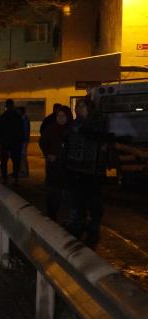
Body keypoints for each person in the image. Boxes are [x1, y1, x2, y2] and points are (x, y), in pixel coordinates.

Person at [64, 100, 109, 249]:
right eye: (77, 106)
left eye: (82, 106)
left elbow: (97, 137)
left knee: (94, 201)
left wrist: (82, 130)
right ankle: (78, 225)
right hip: (75, 170)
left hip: (92, 172)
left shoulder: (97, 123)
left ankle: (93, 229)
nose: (78, 109)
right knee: (78, 200)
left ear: (89, 109)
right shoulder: (74, 124)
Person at [39, 105, 72, 221]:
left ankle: (68, 219)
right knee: (53, 193)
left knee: (68, 194)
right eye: (58, 116)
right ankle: (52, 217)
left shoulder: (72, 130)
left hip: (68, 168)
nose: (61, 118)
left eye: (63, 116)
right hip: (54, 167)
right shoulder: (51, 129)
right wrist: (48, 154)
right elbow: (42, 142)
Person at [0, 99, 24, 184]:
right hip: (15, 142)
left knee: (4, 161)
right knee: (16, 161)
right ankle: (15, 178)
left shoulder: (2, 117)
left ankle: (5, 178)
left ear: (6, 106)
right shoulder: (18, 117)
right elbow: (21, 130)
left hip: (5, 142)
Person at [17, 107, 31, 177]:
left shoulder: (24, 119)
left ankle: (25, 172)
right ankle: (23, 171)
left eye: (18, 112)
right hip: (23, 140)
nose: (17, 113)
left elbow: (25, 131)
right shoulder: (23, 119)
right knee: (22, 156)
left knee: (23, 156)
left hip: (23, 140)